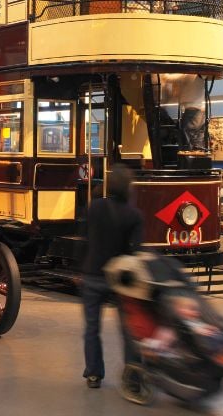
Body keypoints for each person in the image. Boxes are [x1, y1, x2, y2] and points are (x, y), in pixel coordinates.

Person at [82, 165, 144, 389]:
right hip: (120, 279)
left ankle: (94, 374)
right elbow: (135, 251)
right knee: (129, 329)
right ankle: (134, 376)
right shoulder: (134, 215)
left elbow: (85, 237)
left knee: (91, 328)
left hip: (92, 274)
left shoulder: (94, 208)